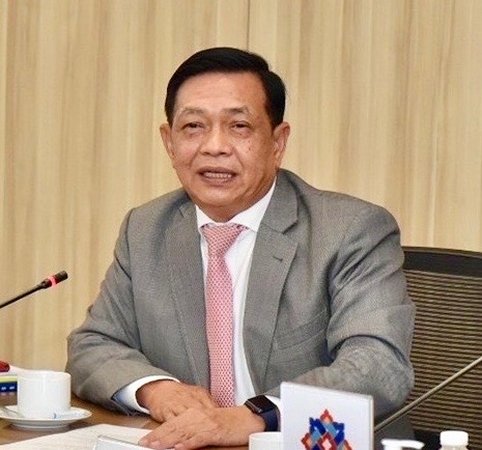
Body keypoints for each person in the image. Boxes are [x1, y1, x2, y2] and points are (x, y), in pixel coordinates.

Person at [66, 47, 415, 450]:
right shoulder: (146, 229)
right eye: (193, 126)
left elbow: (376, 365)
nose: (214, 146)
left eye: (239, 127)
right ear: (169, 142)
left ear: (277, 142)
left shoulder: (349, 230)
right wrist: (156, 389)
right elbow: (93, 345)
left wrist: (256, 416)